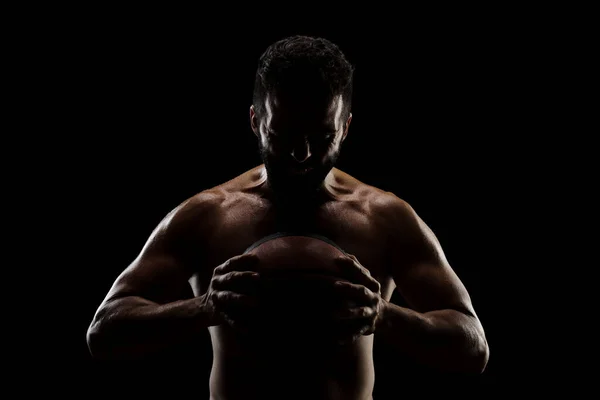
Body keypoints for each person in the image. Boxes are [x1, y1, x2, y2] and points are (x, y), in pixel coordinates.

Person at [86, 35, 489, 399]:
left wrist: (385, 315)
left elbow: (473, 347)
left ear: (345, 127)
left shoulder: (385, 218)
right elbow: (104, 331)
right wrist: (204, 308)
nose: (302, 155)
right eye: (283, 136)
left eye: (322, 137)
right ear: (255, 121)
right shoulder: (206, 216)